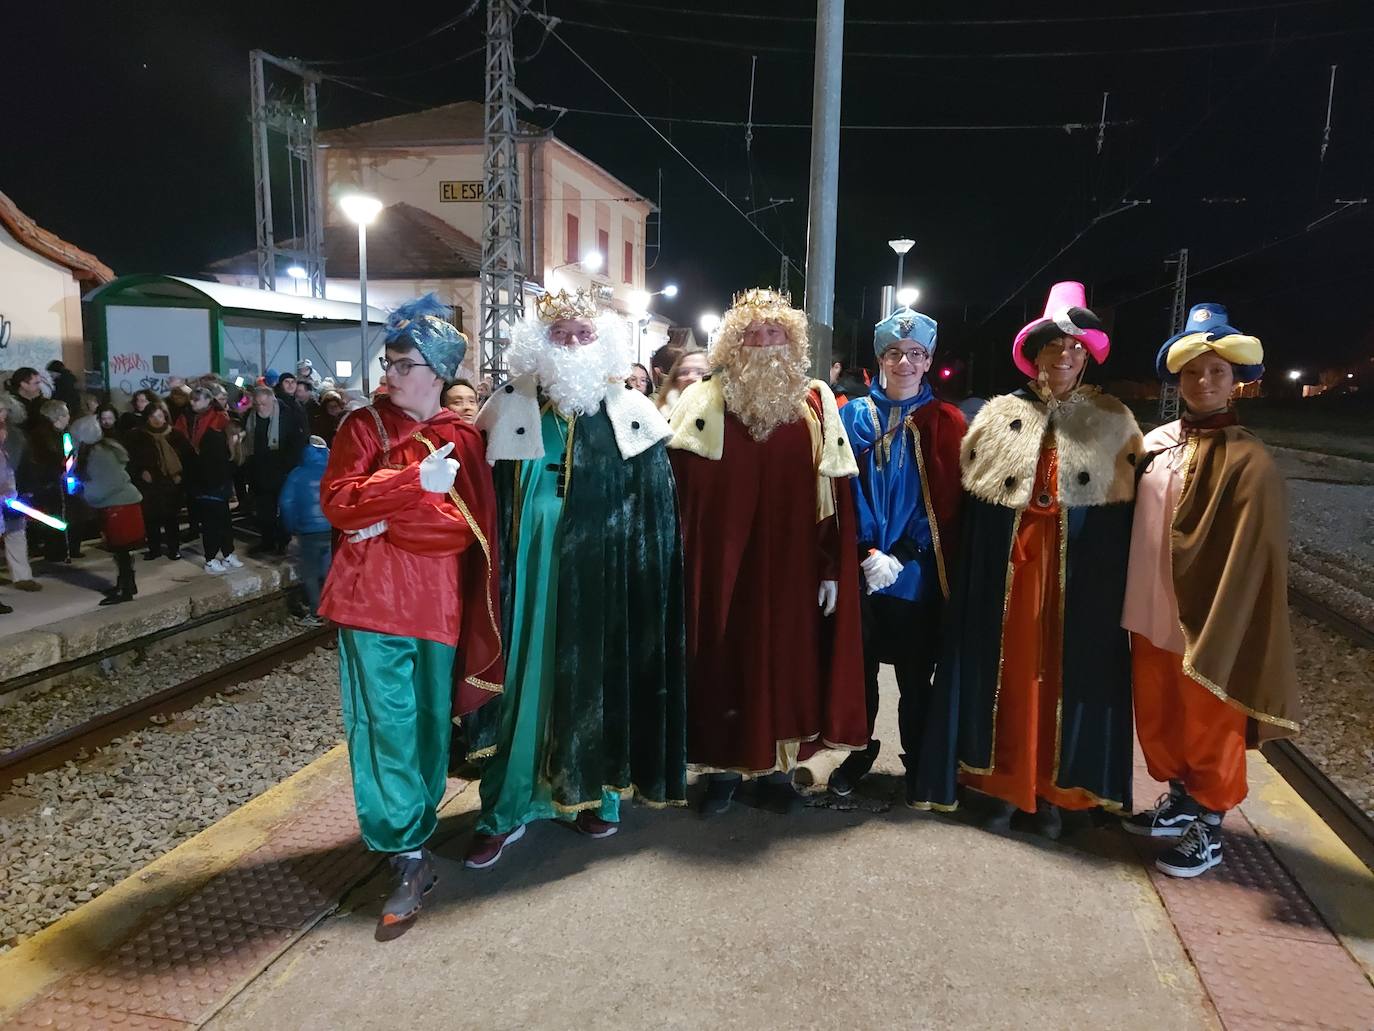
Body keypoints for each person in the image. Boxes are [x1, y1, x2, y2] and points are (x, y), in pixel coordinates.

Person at [910, 282, 1143, 837]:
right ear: (1034, 353)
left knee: (1066, 676)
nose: (1064, 356)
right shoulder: (997, 416)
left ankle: (1057, 792)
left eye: (1075, 348)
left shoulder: (1115, 419)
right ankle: (1004, 785)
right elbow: (971, 511)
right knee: (1009, 677)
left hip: (1080, 578)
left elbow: (1125, 518)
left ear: (1086, 356)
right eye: (1053, 346)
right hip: (1010, 576)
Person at [464, 288, 687, 868]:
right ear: (539, 343)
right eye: (560, 334)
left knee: (599, 681)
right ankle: (508, 807)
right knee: (523, 687)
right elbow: (482, 507)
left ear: (603, 344)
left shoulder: (632, 412)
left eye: (583, 335)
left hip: (605, 580)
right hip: (530, 576)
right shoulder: (508, 407)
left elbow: (655, 516)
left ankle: (594, 796)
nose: (571, 343)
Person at [319, 293, 503, 933]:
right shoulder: (360, 428)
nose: (388, 375)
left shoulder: (462, 441)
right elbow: (340, 504)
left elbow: (457, 533)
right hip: (370, 604)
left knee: (426, 726)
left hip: (437, 605)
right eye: (389, 362)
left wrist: (384, 520)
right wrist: (405, 489)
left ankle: (416, 834)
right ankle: (404, 851)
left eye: (402, 364)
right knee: (386, 727)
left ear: (435, 372)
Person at [668, 288, 867, 816]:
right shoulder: (702, 400)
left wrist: (830, 569)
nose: (763, 341)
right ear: (734, 342)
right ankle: (723, 772)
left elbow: (833, 497)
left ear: (791, 341)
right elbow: (679, 493)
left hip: (793, 568)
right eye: (751, 333)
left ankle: (780, 772)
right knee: (722, 661)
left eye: (774, 332)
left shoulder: (816, 402)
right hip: (721, 568)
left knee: (787, 663)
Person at [1121, 303, 1301, 877]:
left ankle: (1212, 822)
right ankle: (1181, 797)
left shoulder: (1252, 461)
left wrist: (1229, 619)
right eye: (1192, 372)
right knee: (1158, 709)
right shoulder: (1155, 443)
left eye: (1216, 372)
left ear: (1236, 381)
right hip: (1149, 609)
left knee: (1208, 718)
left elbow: (1255, 559)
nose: (1202, 382)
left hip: (1208, 617)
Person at [831, 306, 967, 803]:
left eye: (915, 354)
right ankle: (860, 749)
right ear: (880, 359)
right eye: (895, 353)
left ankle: (918, 756)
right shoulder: (851, 416)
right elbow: (843, 487)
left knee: (915, 674)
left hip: (917, 574)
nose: (904, 362)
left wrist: (904, 553)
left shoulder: (947, 422)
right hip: (863, 568)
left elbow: (948, 501)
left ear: (928, 361)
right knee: (859, 667)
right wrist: (868, 550)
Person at [71, 416, 145, 605]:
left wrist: (83, 493)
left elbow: (102, 485)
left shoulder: (96, 455)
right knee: (122, 551)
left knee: (121, 550)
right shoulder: (104, 449)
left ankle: (125, 589)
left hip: (118, 507)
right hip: (122, 504)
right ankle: (127, 583)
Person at [241, 385, 305, 555]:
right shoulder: (251, 417)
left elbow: (296, 444)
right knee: (264, 511)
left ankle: (283, 541)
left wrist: (287, 467)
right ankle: (267, 540)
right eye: (257, 404)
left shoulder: (286, 416)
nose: (261, 408)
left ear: (272, 400)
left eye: (264, 404)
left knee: (282, 508)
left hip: (281, 471)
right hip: (259, 471)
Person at [184, 387, 241, 572]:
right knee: (211, 522)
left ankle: (227, 553)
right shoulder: (207, 432)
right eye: (192, 400)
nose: (193, 403)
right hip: (207, 481)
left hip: (219, 480)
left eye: (196, 400)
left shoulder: (219, 423)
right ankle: (210, 557)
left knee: (224, 520)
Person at [126, 402, 192, 561]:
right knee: (151, 518)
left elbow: (188, 458)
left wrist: (180, 476)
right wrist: (140, 472)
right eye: (152, 416)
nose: (156, 420)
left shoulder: (176, 435)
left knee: (171, 518)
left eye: (160, 416)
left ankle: (173, 548)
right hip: (149, 484)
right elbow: (130, 459)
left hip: (171, 483)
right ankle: (154, 548)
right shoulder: (138, 436)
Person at [280, 435, 332, 625]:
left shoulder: (297, 474)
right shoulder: (333, 471)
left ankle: (317, 613)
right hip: (331, 527)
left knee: (309, 572)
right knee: (329, 569)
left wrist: (291, 527)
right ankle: (335, 609)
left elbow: (286, 503)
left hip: (308, 531)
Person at [18, 399, 70, 563]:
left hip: (47, 481)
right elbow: (49, 458)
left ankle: (56, 550)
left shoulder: (46, 433)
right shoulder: (46, 435)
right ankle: (56, 552)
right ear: (59, 416)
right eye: (66, 413)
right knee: (53, 517)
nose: (69, 417)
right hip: (47, 482)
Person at [655, 348, 708, 417]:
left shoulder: (721, 415)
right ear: (675, 381)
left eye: (700, 373)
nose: (691, 377)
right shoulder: (659, 415)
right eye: (684, 372)